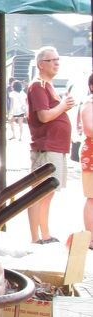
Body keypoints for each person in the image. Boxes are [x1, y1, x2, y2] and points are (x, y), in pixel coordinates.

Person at [26, 46, 75, 245]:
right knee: (39, 193)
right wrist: (63, 105)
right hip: (46, 146)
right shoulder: (38, 85)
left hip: (55, 146)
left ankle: (44, 234)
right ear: (40, 64)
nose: (56, 63)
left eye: (57, 59)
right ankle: (36, 237)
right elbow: (44, 116)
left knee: (48, 193)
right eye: (51, 60)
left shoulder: (48, 85)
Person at [77, 72, 93, 249]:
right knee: (92, 197)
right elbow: (89, 129)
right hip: (91, 156)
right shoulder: (89, 103)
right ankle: (90, 238)